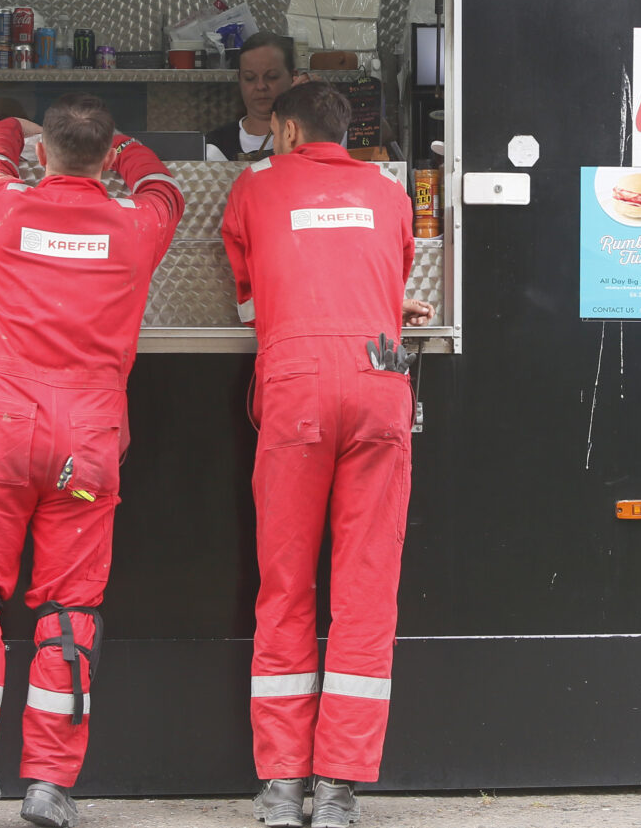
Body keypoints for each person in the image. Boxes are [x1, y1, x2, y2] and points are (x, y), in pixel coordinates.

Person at [0, 94, 183, 828]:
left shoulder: (4, 209)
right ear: (106, 153)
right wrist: (121, 149)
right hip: (86, 445)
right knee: (69, 606)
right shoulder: (134, 226)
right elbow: (165, 186)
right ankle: (50, 783)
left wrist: (15, 129)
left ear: (45, 153)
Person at [220, 80, 435, 828]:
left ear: (282, 131)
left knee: (285, 588)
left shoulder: (254, 187)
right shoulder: (389, 191)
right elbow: (386, 274)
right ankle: (339, 789)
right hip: (380, 382)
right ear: (348, 136)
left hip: (298, 389)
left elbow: (249, 301)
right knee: (366, 590)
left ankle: (283, 786)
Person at [206, 33, 307, 162]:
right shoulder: (215, 144)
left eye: (272, 76)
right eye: (250, 78)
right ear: (240, 80)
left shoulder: (308, 137)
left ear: (293, 76)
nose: (260, 86)